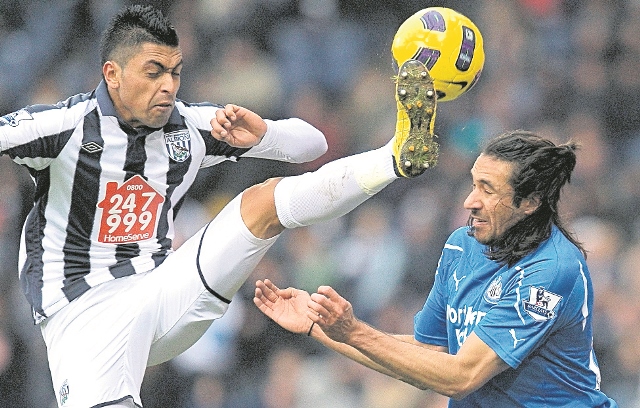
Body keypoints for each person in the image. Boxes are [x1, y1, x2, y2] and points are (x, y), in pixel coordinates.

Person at [0, 4, 437, 408]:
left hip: (160, 290)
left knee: (263, 203)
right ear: (112, 74)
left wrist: (266, 133)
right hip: (84, 317)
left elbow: (314, 145)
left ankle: (395, 156)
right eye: (153, 72)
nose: (168, 86)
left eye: (174, 71)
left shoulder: (189, 128)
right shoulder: (62, 126)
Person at [254, 131, 619, 407]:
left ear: (529, 203)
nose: (469, 201)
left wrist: (353, 331)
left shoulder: (552, 270)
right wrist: (321, 328)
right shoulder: (461, 245)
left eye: (488, 190)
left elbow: (462, 375)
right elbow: (430, 357)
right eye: (473, 183)